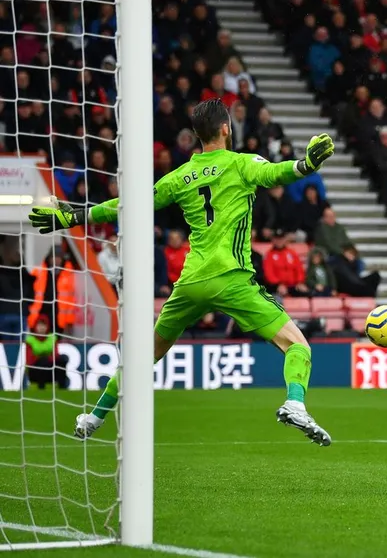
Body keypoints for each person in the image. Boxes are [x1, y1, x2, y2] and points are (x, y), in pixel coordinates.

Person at [28, 98, 337, 445]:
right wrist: (306, 164)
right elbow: (276, 172)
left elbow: (130, 204)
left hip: (190, 283)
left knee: (145, 356)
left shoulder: (180, 177)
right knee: (297, 346)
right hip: (231, 278)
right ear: (225, 128)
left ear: (197, 135)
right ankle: (295, 403)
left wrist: (77, 215)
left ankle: (94, 417)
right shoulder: (241, 163)